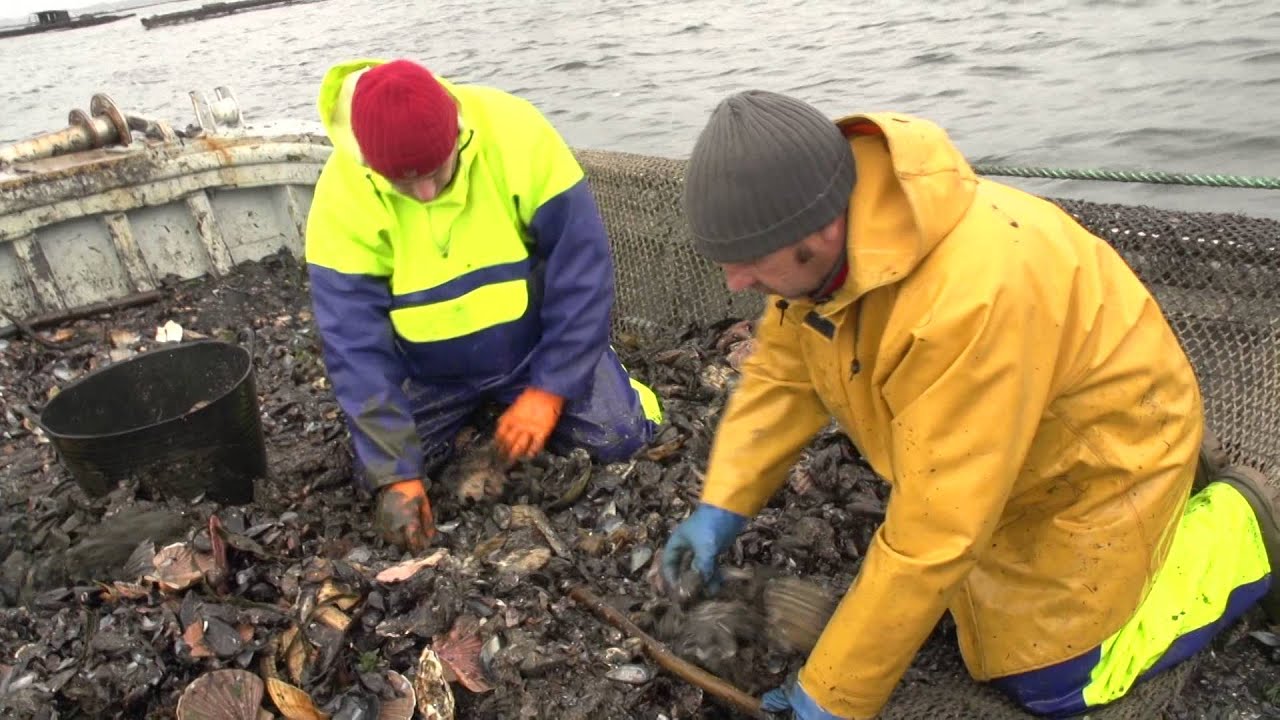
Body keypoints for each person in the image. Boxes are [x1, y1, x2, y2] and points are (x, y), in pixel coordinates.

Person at [660, 90, 1279, 719]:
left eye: (749, 263)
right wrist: (721, 506)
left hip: (1107, 454)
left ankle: (1237, 527)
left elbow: (934, 532)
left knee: (1055, 679)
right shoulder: (822, 246)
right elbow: (783, 377)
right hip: (1006, 455)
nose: (735, 282)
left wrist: (831, 696)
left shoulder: (969, 300)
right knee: (956, 613)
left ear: (820, 230)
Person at [304, 58, 663, 553]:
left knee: (620, 437)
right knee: (379, 475)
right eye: (403, 184)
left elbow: (582, 270)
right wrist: (398, 473)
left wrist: (550, 390)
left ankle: (605, 381)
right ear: (368, 163)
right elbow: (353, 343)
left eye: (437, 170)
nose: (425, 193)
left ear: (456, 129)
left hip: (531, 348)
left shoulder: (517, 133)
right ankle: (477, 417)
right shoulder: (339, 198)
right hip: (429, 372)